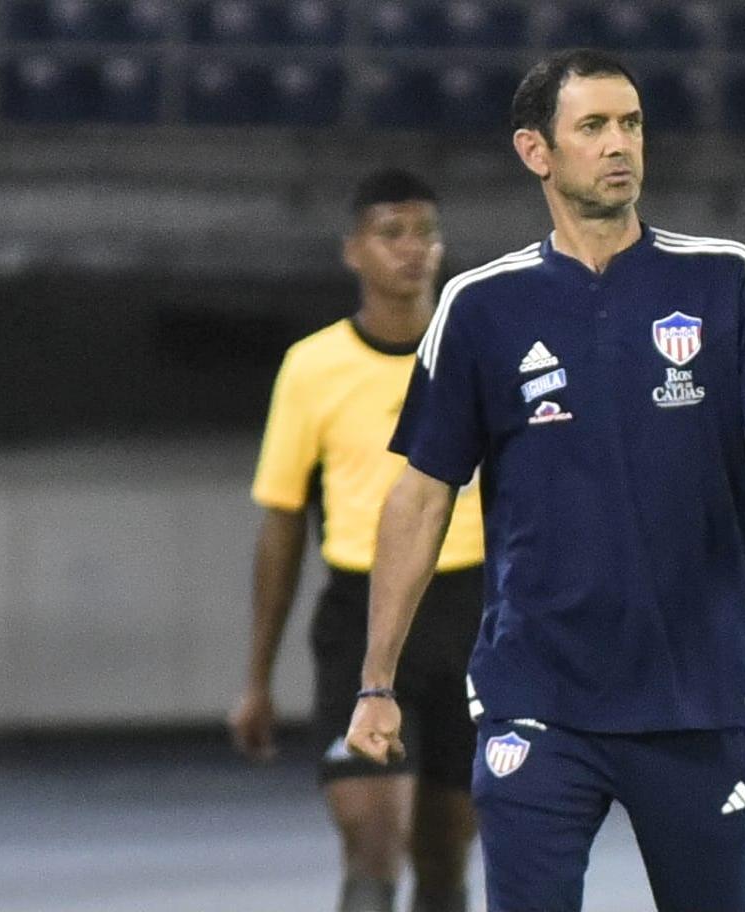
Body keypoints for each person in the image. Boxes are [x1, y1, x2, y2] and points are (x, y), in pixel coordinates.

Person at [344, 49, 745, 912]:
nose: (621, 146)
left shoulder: (723, 275)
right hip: (538, 695)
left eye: (633, 124)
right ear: (537, 151)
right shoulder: (479, 306)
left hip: (699, 693)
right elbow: (420, 498)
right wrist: (376, 682)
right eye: (595, 127)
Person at [228, 170, 483, 912]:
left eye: (426, 233)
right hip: (361, 621)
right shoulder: (313, 367)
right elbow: (282, 521)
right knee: (373, 848)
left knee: (443, 860)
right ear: (353, 251)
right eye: (391, 233)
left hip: (469, 616)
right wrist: (256, 677)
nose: (413, 250)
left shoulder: (478, 356)